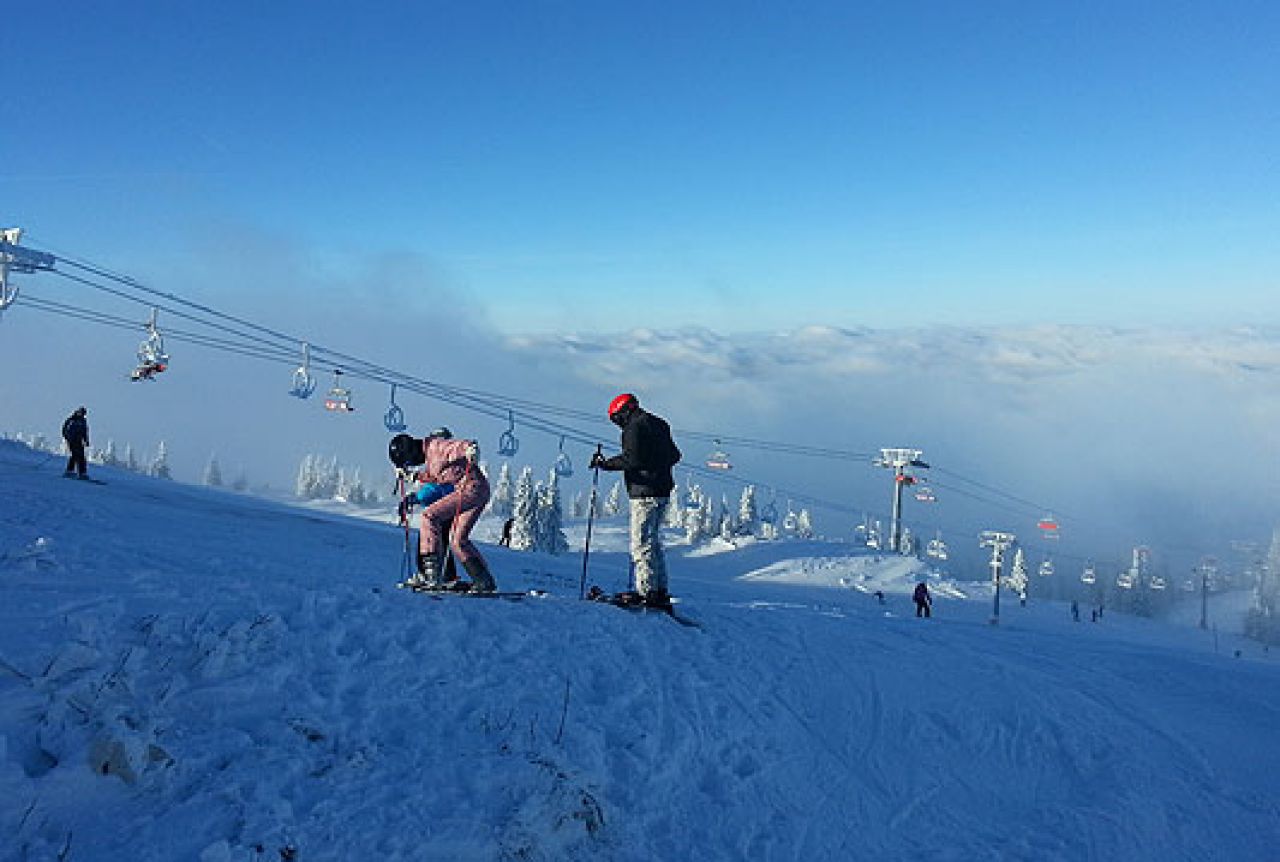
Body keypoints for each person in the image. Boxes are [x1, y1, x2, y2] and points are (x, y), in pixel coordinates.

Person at [589, 393, 681, 610]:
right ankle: (659, 589)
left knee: (641, 544)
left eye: (616, 419)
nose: (617, 424)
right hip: (662, 490)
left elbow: (633, 459)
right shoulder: (659, 424)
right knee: (654, 542)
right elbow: (675, 455)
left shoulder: (633, 427)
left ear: (624, 411)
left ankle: (646, 591)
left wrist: (605, 464)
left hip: (644, 492)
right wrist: (657, 464)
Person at [388, 430, 495, 592]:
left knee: (429, 516)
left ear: (411, 453)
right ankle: (483, 581)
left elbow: (458, 447)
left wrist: (470, 448)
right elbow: (438, 476)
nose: (413, 465)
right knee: (458, 541)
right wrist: (413, 477)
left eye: (409, 463)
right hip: (475, 491)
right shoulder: (432, 457)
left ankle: (432, 575)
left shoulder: (436, 447)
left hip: (471, 490)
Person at [61, 406, 90, 479]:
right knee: (75, 455)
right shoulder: (72, 420)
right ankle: (69, 471)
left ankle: (82, 473)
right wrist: (68, 438)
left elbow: (84, 432)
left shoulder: (83, 421)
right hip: (72, 440)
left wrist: (86, 441)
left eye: (84, 414)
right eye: (81, 413)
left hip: (79, 440)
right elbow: (65, 430)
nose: (82, 415)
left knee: (81, 456)